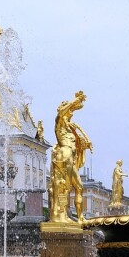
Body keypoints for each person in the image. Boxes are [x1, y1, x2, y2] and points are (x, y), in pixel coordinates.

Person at [48, 91, 92, 223]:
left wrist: (84, 145)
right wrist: (74, 101)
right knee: (64, 186)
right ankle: (61, 216)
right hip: (64, 157)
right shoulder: (59, 122)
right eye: (69, 109)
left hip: (71, 159)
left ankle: (80, 218)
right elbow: (61, 113)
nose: (71, 111)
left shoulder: (70, 127)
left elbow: (76, 145)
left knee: (79, 187)